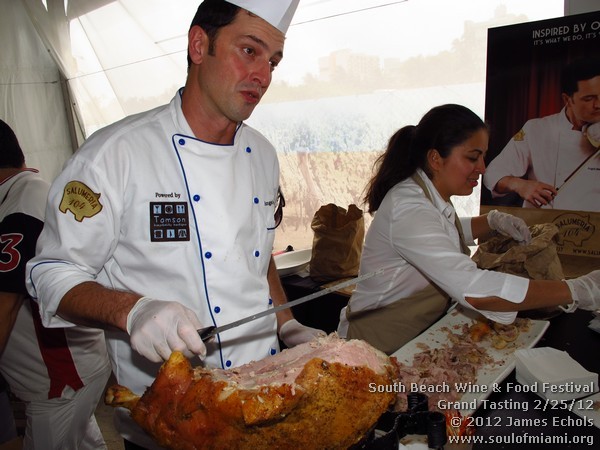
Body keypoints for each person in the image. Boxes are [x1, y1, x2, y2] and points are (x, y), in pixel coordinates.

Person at [26, 1, 324, 448]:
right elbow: (51, 274)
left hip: (263, 397)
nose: (263, 76)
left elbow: (257, 255)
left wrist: (285, 323)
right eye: (249, 51)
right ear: (199, 45)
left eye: (273, 62)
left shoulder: (263, 154)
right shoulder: (114, 155)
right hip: (168, 419)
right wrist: (134, 310)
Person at [337, 104, 600, 355]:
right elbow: (475, 290)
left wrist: (491, 221)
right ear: (435, 159)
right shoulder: (408, 207)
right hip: (375, 343)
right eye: (473, 157)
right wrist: (574, 290)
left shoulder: (427, 194)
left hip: (412, 336)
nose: (483, 168)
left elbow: (439, 231)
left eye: (483, 156)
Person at [0, 119, 111, 449]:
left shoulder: (22, 205)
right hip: (70, 374)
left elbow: (4, 307)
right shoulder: (27, 193)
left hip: (59, 381)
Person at [483, 56, 600, 210]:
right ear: (567, 99)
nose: (598, 105)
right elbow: (492, 173)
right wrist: (520, 185)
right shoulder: (536, 129)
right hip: (542, 221)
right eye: (589, 98)